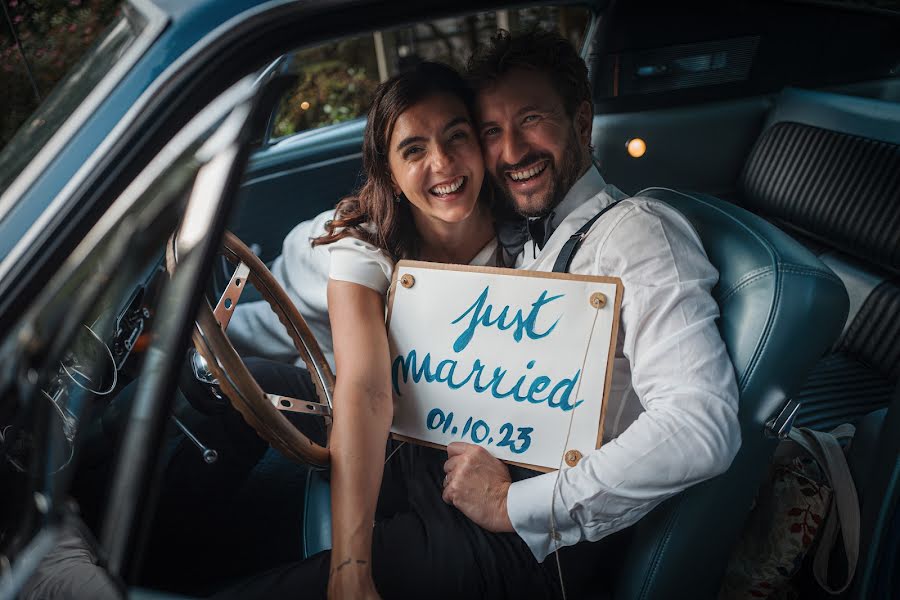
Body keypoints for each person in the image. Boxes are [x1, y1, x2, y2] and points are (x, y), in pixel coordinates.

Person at [212, 28, 741, 600]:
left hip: (527, 539)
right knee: (220, 387)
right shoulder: (518, 226)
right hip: (447, 457)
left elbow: (701, 427)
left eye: (532, 119)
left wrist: (515, 504)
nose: (511, 152)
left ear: (582, 121)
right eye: (492, 131)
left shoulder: (637, 232)